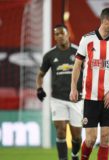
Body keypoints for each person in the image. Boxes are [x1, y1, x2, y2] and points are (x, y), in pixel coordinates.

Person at [69, 7, 109, 160]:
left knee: (106, 140)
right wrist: (73, 88)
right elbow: (77, 66)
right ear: (105, 20)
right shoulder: (87, 39)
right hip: (90, 97)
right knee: (90, 139)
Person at [36, 24, 82, 160]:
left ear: (68, 34)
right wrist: (39, 88)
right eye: (57, 34)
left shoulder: (79, 52)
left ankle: (74, 154)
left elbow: (89, 72)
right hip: (57, 98)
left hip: (76, 98)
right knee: (61, 130)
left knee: (77, 136)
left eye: (62, 33)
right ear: (54, 37)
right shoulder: (50, 55)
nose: (60, 36)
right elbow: (40, 75)